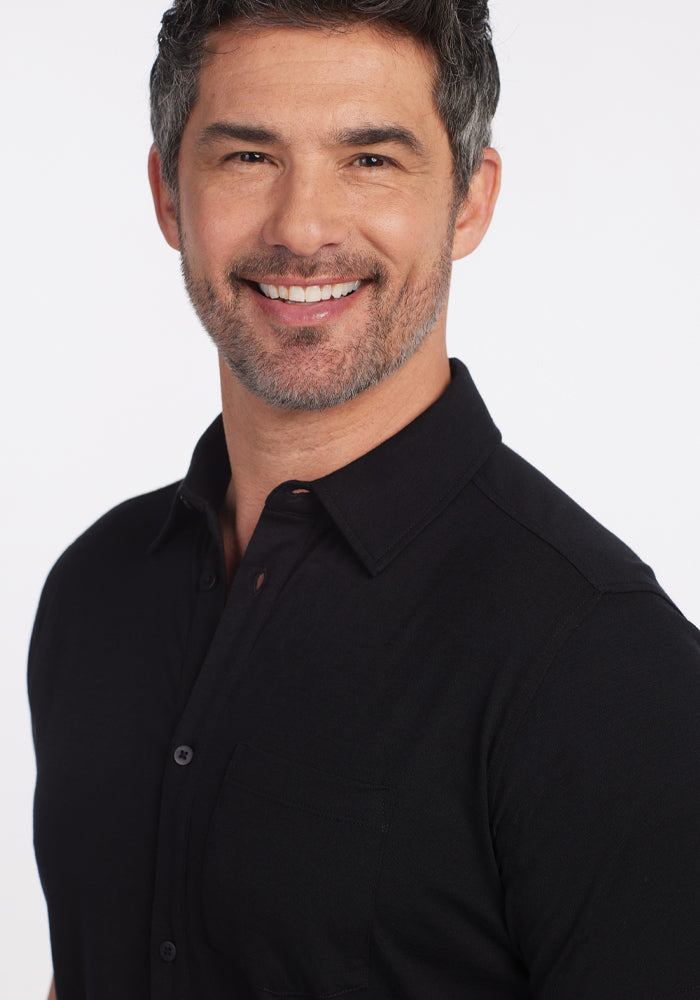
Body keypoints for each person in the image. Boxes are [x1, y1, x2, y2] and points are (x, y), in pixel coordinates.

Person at [29, 1, 700, 998]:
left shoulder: (605, 668)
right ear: (170, 197)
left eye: (371, 159)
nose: (302, 226)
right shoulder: (98, 587)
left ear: (469, 200)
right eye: (248, 157)